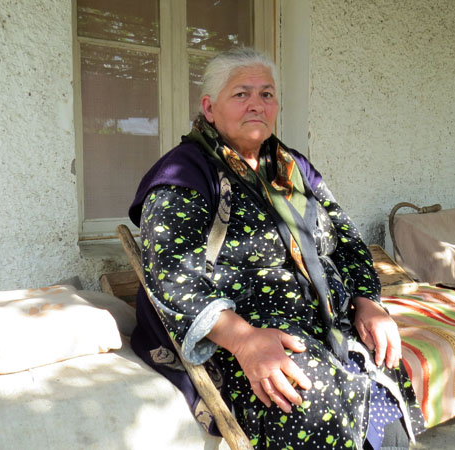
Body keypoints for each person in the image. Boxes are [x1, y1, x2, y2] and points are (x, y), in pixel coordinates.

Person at [128, 47, 424, 450]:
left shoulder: (292, 167)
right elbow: (172, 274)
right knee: (305, 399)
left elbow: (348, 242)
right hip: (244, 332)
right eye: (241, 94)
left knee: (385, 378)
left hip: (328, 322)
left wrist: (368, 301)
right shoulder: (186, 172)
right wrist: (244, 340)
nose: (257, 104)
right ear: (209, 108)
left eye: (266, 94)